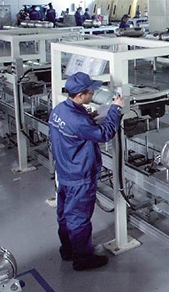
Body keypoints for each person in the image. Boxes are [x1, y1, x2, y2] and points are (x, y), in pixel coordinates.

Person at [49, 72, 124, 271]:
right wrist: (115, 109)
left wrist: (88, 118)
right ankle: (83, 258)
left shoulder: (60, 110)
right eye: (91, 92)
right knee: (79, 218)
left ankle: (68, 250)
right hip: (79, 175)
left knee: (65, 214)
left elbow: (74, 128)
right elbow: (104, 134)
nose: (93, 94)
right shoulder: (77, 120)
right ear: (80, 95)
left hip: (64, 171)